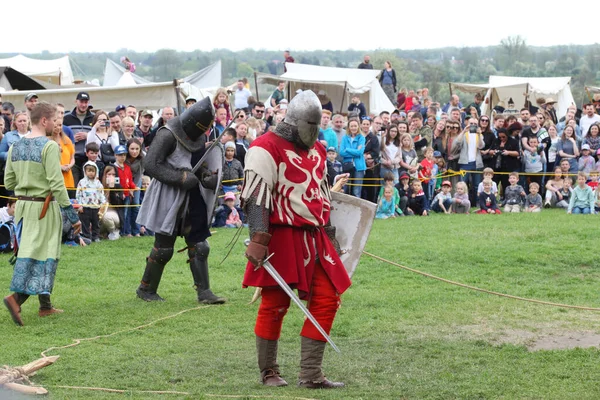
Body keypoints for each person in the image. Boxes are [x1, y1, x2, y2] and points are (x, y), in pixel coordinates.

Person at [241, 90, 348, 388]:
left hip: (315, 237)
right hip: (281, 236)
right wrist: (259, 239)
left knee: (328, 299)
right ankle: (269, 371)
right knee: (275, 304)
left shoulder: (319, 150)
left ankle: (311, 374)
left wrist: (328, 232)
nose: (313, 133)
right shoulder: (264, 148)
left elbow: (321, 193)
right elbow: (257, 197)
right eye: (310, 126)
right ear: (296, 121)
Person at [136, 97, 226, 304]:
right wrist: (180, 177)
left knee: (200, 244)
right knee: (164, 247)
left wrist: (207, 178)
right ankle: (146, 289)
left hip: (192, 196)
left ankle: (204, 293)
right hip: (168, 196)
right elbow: (150, 164)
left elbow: (198, 165)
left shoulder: (198, 138)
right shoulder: (167, 134)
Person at [3, 102, 81, 326]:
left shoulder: (15, 146)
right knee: (43, 255)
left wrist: (26, 183)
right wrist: (73, 216)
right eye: (55, 119)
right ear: (44, 121)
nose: (57, 123)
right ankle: (16, 299)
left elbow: (8, 181)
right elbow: (57, 185)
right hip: (44, 208)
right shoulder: (48, 147)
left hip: (23, 208)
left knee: (31, 251)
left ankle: (45, 306)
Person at [451, 118, 484, 205]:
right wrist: (463, 131)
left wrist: (480, 135)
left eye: (475, 123)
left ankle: (477, 202)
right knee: (463, 184)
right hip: (465, 163)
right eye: (471, 123)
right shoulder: (464, 134)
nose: (473, 125)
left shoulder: (479, 134)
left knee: (477, 185)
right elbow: (456, 144)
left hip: (476, 163)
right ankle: (462, 202)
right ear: (467, 123)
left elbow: (481, 146)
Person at [76, 161, 107, 242]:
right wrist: (79, 205)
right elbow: (78, 194)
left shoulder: (98, 183)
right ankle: (86, 236)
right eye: (89, 171)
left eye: (92, 171)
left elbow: (101, 194)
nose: (91, 173)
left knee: (96, 223)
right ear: (85, 171)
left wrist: (103, 204)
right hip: (85, 207)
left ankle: (95, 236)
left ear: (96, 172)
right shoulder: (81, 182)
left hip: (96, 207)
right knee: (85, 223)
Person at [113, 145, 136, 237]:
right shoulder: (113, 167)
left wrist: (133, 188)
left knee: (126, 213)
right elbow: (114, 183)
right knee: (120, 213)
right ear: (115, 155)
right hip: (118, 194)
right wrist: (119, 192)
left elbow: (130, 180)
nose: (122, 157)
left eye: (124, 155)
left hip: (127, 194)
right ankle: (121, 231)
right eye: (120, 155)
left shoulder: (127, 167)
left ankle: (126, 231)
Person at [340, 119, 366, 198]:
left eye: (355, 126)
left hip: (359, 167)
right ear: (348, 127)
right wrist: (355, 151)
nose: (353, 128)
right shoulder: (345, 138)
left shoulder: (361, 138)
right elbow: (341, 152)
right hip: (347, 165)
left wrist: (347, 149)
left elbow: (360, 152)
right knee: (345, 188)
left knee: (356, 191)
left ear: (358, 127)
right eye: (351, 126)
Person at [99, 165, 124, 240]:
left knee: (106, 217)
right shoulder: (98, 185)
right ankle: (104, 233)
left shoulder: (118, 186)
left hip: (113, 213)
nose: (111, 177)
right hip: (99, 212)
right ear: (104, 174)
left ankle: (114, 231)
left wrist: (112, 188)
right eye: (109, 174)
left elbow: (117, 203)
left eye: (113, 174)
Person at [126, 138, 144, 237]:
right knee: (127, 205)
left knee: (136, 205)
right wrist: (128, 188)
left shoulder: (142, 157)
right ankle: (127, 231)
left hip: (136, 181)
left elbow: (140, 173)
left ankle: (136, 231)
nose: (134, 151)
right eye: (132, 149)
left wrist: (134, 188)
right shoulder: (124, 157)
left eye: (137, 149)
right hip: (126, 181)